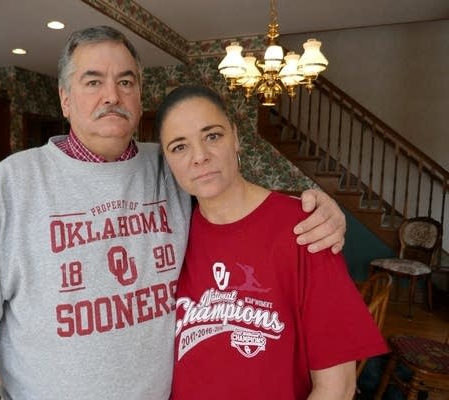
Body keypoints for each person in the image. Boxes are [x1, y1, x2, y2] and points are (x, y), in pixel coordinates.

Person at [0, 26, 346, 400]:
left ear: (140, 98)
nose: (112, 95)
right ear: (65, 99)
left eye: (126, 81)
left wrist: (314, 208)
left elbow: (235, 197)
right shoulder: (5, 190)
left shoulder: (171, 165)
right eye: (93, 82)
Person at [154, 85, 388, 400]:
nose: (200, 157)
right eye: (179, 147)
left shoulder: (305, 228)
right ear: (166, 159)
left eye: (212, 136)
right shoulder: (171, 235)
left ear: (235, 137)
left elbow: (337, 387)